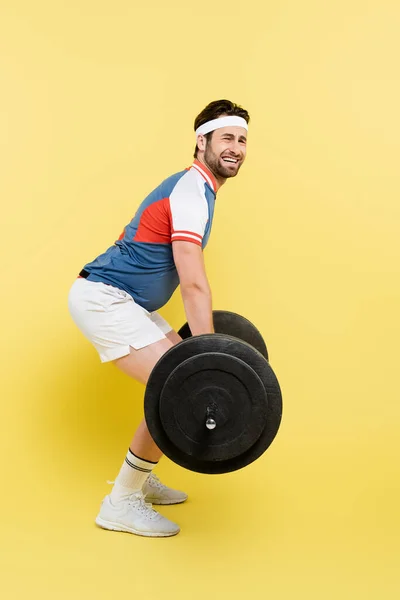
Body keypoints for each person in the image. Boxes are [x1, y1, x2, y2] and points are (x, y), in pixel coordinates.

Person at [68, 99, 250, 537]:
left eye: (243, 140)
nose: (237, 148)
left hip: (129, 303)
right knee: (183, 388)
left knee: (177, 387)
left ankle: (140, 479)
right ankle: (121, 502)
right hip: (105, 300)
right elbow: (193, 283)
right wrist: (210, 361)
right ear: (201, 140)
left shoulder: (198, 190)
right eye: (227, 137)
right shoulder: (190, 191)